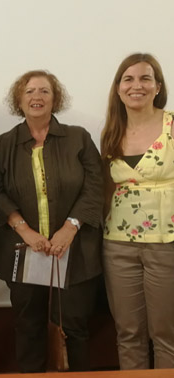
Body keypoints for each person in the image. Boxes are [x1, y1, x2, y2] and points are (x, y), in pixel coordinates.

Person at [0, 70, 103, 372]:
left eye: (44, 91)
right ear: (19, 100)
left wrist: (70, 227)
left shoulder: (78, 138)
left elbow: (95, 185)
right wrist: (23, 229)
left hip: (74, 249)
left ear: (55, 98)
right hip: (26, 250)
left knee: (74, 325)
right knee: (28, 325)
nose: (37, 97)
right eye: (29, 91)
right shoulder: (2, 145)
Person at [101, 53, 174, 370]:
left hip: (166, 243)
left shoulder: (171, 125)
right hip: (118, 243)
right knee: (128, 333)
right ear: (118, 88)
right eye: (128, 79)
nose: (137, 86)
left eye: (145, 78)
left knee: (165, 334)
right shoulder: (110, 132)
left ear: (158, 86)